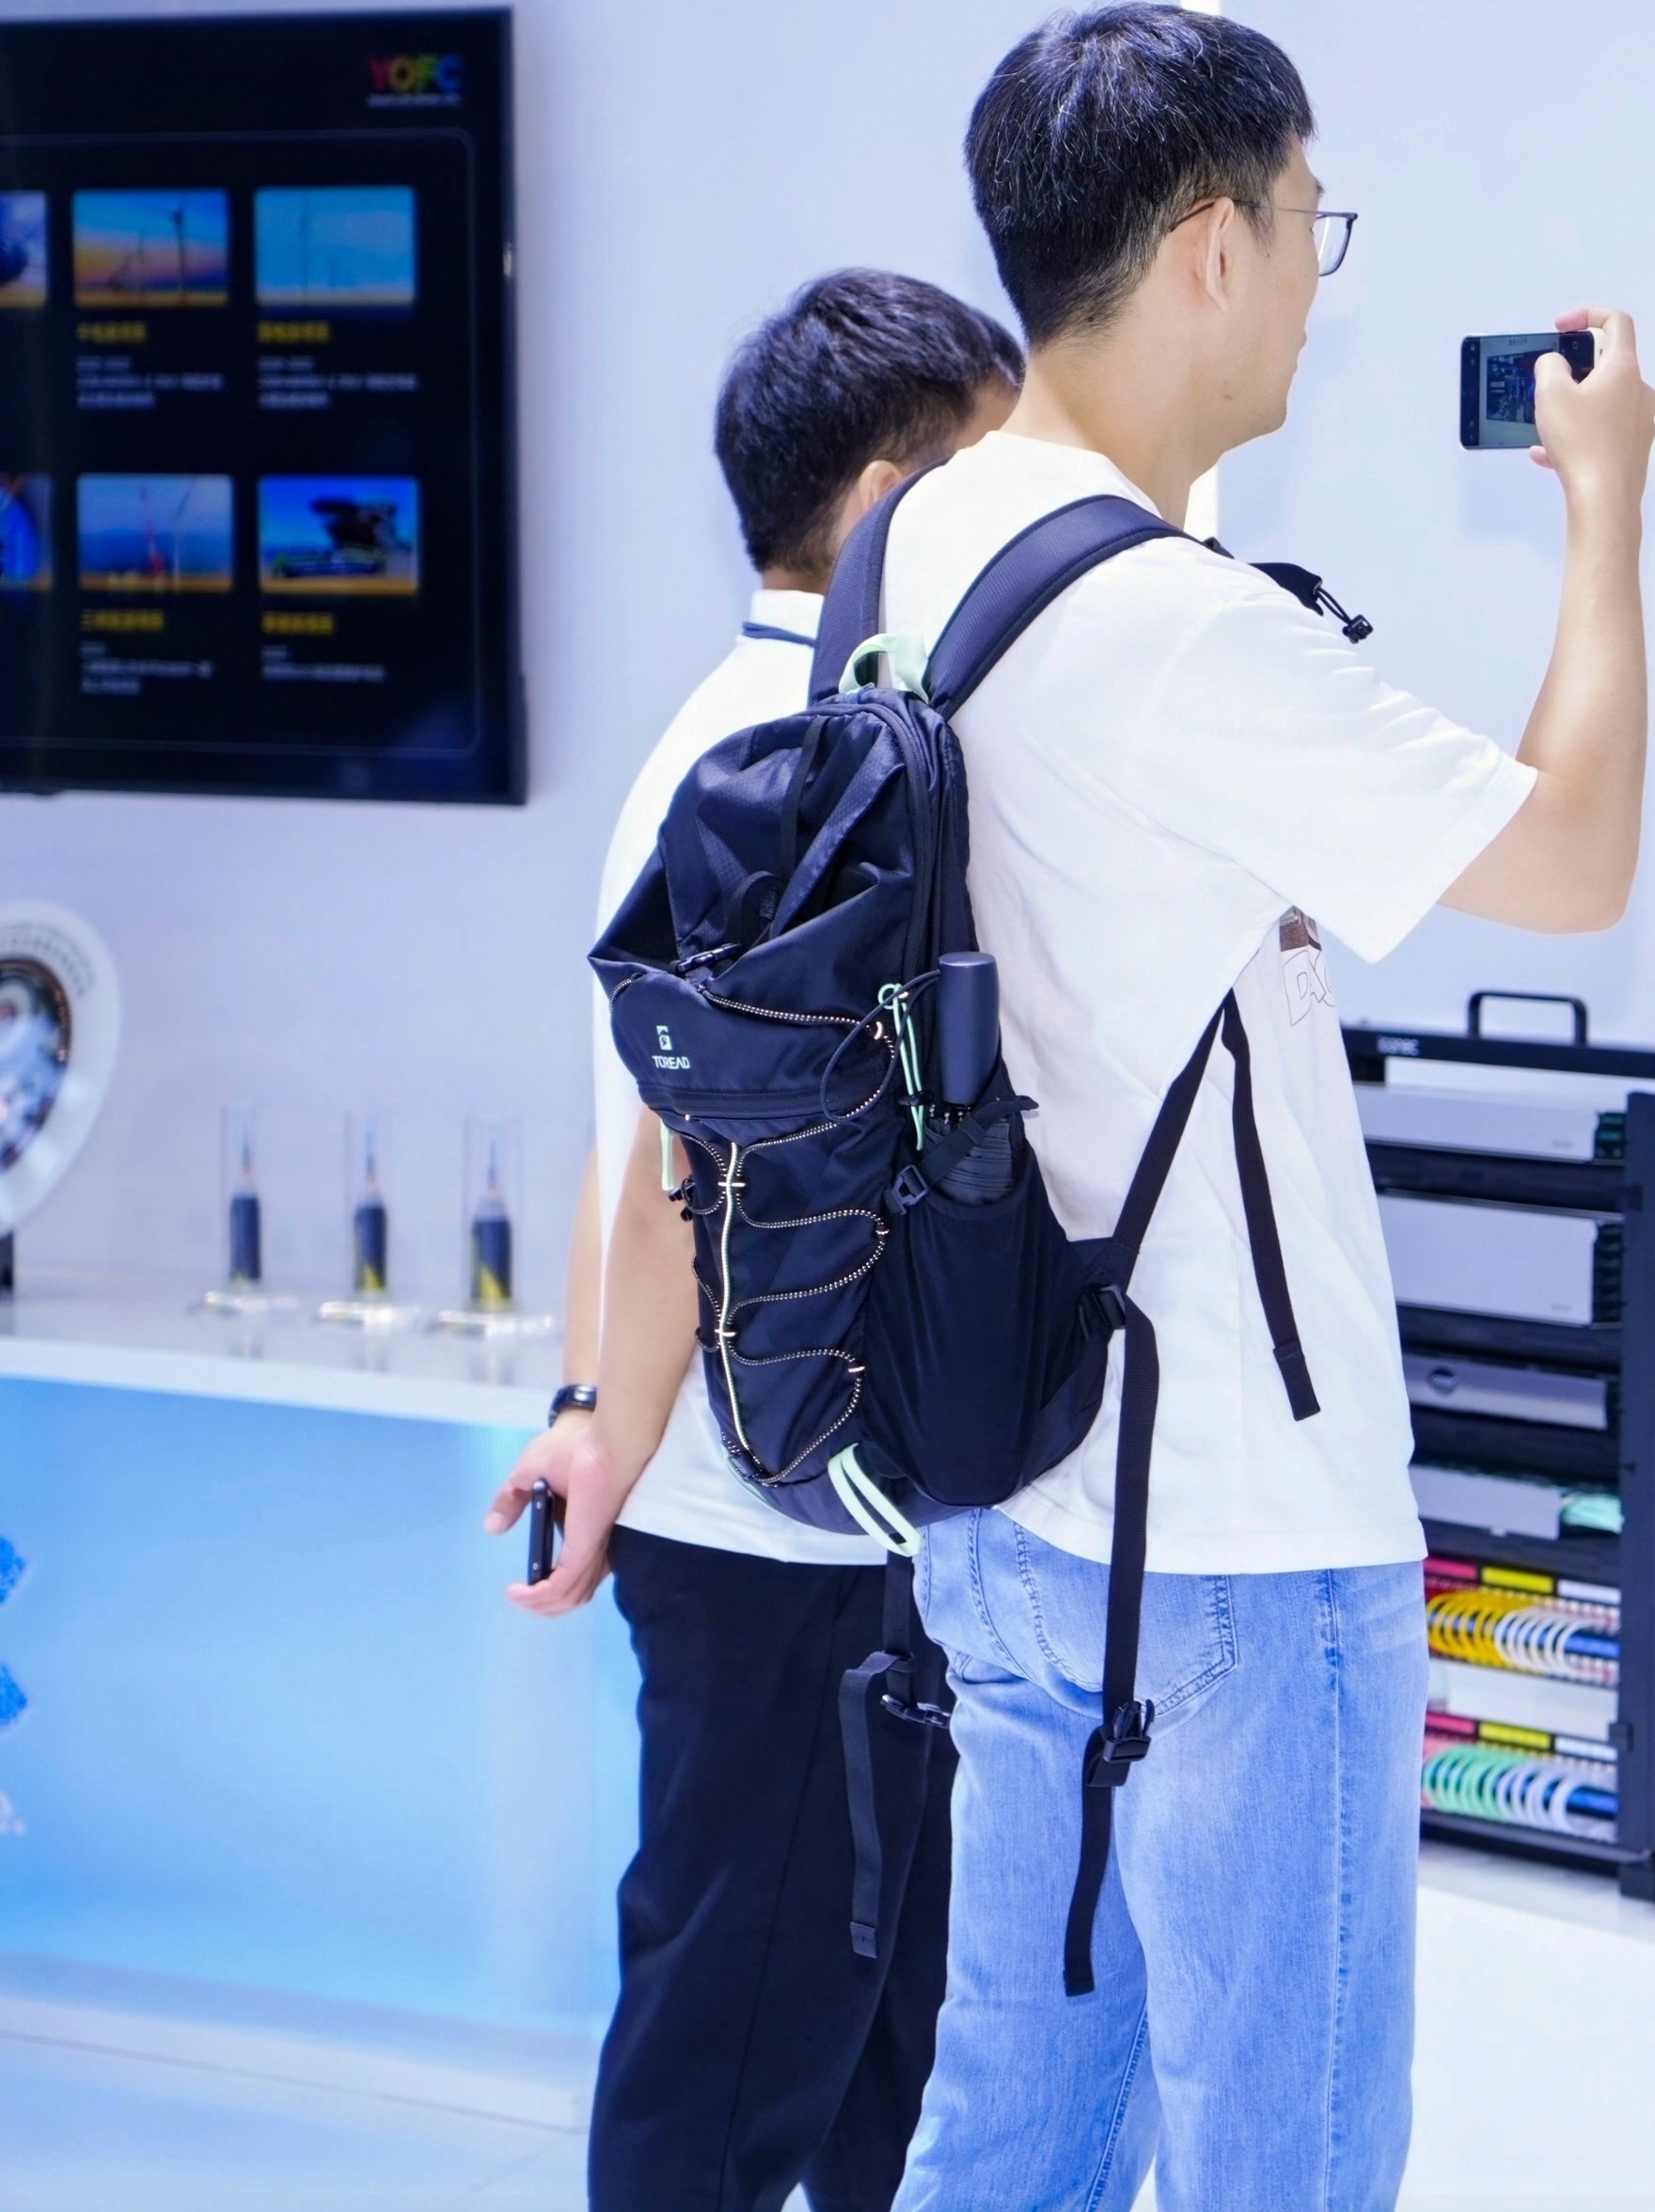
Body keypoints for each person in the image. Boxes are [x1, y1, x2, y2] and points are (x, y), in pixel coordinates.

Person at [878, 3, 1654, 2212]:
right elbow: (1576, 855)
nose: (1322, 277)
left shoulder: (920, 546)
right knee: (1284, 2166)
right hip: (1233, 1528)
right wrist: (1605, 515)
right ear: (1212, 248)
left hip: (1008, 1483)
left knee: (1007, 2149)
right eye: (1318, 225)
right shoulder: (1171, 629)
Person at [482, 271, 1022, 2212]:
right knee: (737, 2054)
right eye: (996, 467)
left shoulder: (730, 735)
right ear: (891, 495)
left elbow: (629, 1138)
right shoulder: (814, 756)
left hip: (778, 1505)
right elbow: (673, 1171)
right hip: (791, 1523)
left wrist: (591, 1411)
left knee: (878, 2057)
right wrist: (614, 1425)